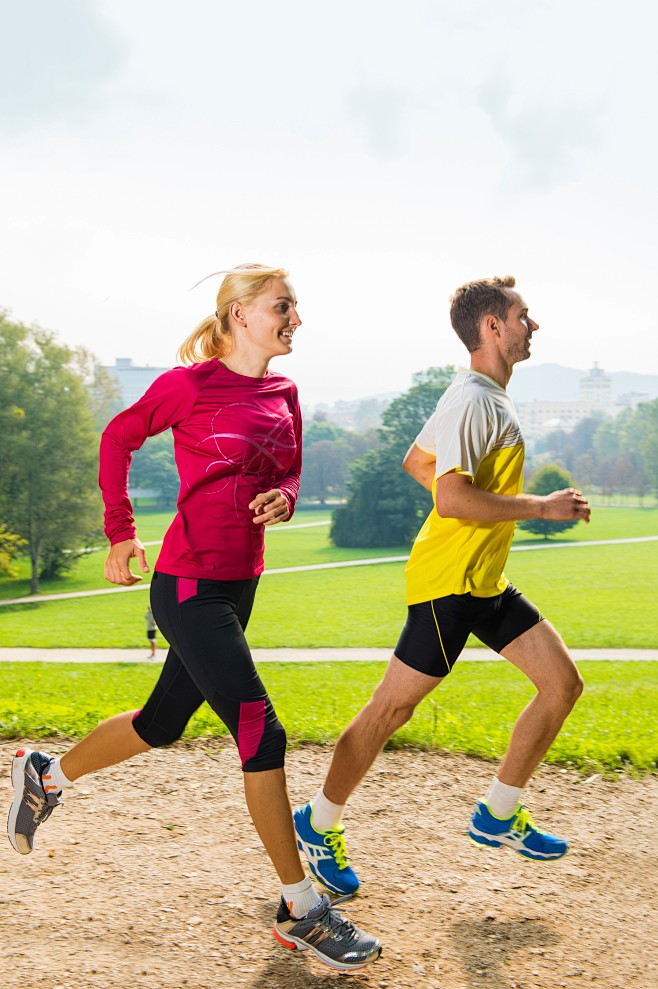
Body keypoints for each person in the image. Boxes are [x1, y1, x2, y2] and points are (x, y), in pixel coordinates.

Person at [7, 263, 381, 972]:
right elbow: (116, 439)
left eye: (294, 306)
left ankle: (46, 773)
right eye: (283, 306)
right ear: (240, 313)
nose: (295, 318)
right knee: (260, 732)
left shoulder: (285, 391)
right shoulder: (189, 385)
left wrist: (287, 497)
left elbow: (289, 467)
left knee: (160, 724)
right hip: (186, 586)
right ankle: (301, 908)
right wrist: (120, 529)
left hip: (240, 583)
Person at [293, 275, 591, 897]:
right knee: (391, 709)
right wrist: (539, 508)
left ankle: (497, 814)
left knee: (562, 684)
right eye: (523, 315)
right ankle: (316, 825)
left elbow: (417, 463)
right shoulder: (474, 401)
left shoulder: (484, 396)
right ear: (492, 327)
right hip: (448, 585)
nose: (532, 325)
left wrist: (474, 520)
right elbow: (451, 496)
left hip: (482, 580)